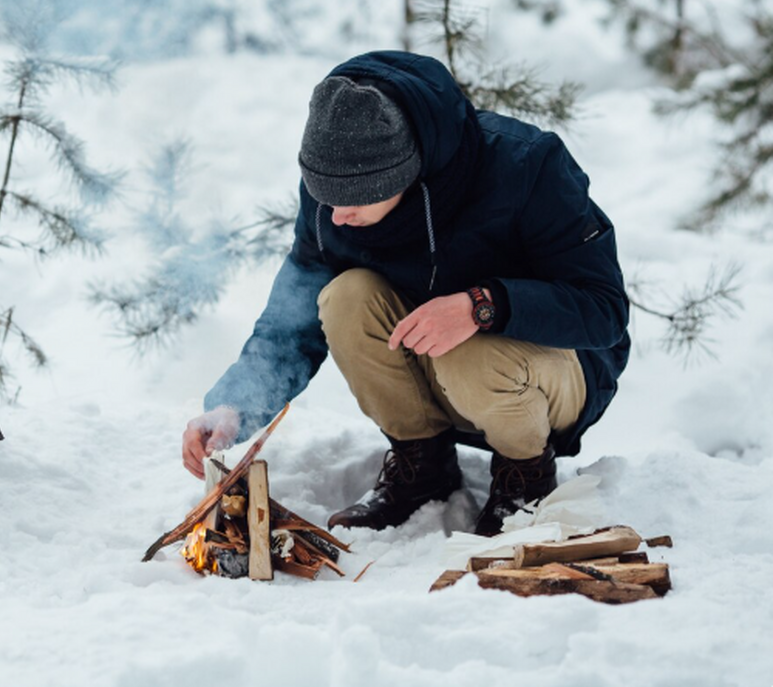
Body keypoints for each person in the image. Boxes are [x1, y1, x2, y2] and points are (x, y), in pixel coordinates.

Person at [180, 51, 630, 537]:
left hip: (554, 375)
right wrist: (235, 406)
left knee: (470, 353)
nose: (336, 216)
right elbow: (292, 317)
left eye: (353, 199)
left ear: (401, 174)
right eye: (324, 195)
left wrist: (483, 306)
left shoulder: (526, 164)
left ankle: (524, 480)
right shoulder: (335, 190)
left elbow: (603, 310)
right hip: (439, 369)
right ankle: (423, 468)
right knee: (343, 297)